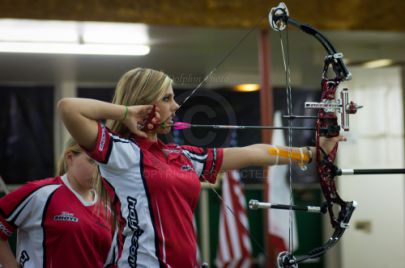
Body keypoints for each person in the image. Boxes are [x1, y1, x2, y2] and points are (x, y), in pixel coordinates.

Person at [57, 67, 345, 267]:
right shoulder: (120, 152)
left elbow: (253, 152)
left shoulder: (181, 155)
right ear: (145, 104)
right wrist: (125, 112)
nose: (175, 106)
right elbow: (68, 108)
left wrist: (311, 153)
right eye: (167, 98)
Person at [0, 138, 119, 268]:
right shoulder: (41, 194)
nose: (99, 169)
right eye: (92, 161)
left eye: (103, 163)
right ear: (70, 158)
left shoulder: (109, 211)